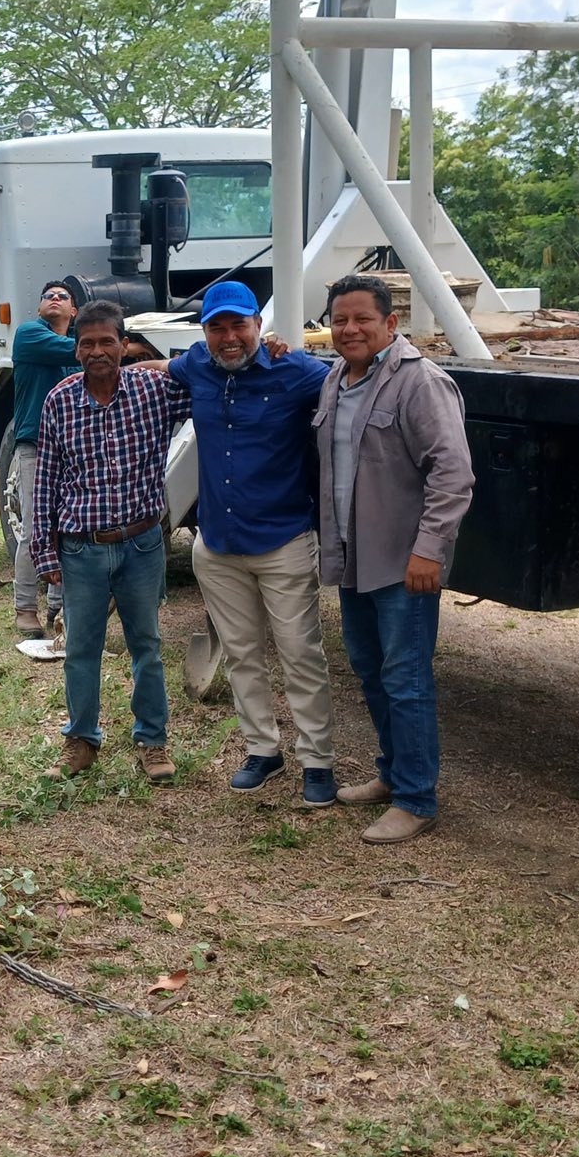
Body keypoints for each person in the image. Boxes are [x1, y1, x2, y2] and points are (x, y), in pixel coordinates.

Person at [314, 274, 475, 844]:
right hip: (353, 560)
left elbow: (452, 474)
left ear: (390, 323)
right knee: (371, 672)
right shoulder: (337, 377)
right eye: (340, 319)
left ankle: (416, 798)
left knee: (406, 679)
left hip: (402, 564)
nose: (350, 328)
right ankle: (392, 775)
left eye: (362, 318)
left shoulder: (420, 383)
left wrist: (429, 550)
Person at [164, 281, 337, 804]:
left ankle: (317, 759)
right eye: (217, 327)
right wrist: (101, 370)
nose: (229, 336)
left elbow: (353, 379)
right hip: (217, 546)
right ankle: (263, 750)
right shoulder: (197, 365)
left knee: (300, 653)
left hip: (282, 540)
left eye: (239, 324)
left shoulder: (300, 372)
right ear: (206, 333)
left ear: (259, 327)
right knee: (241, 654)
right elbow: (155, 369)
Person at [31, 300, 192, 783]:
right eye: (87, 344)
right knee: (82, 648)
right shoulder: (60, 400)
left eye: (107, 341)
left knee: (147, 644)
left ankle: (153, 741)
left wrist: (266, 350)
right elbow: (46, 482)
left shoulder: (155, 389)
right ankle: (81, 740)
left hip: (142, 544)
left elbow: (214, 383)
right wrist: (44, 551)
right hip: (81, 548)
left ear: (125, 345)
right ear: (75, 350)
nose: (97, 351)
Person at [9, 282, 79, 636]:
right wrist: (122, 344)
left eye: (63, 297)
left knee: (67, 528)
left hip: (70, 451)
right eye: (48, 295)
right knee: (35, 530)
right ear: (39, 308)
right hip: (34, 446)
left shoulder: (76, 347)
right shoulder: (29, 335)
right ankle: (25, 608)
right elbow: (77, 352)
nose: (55, 298)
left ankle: (58, 605)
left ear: (74, 312)